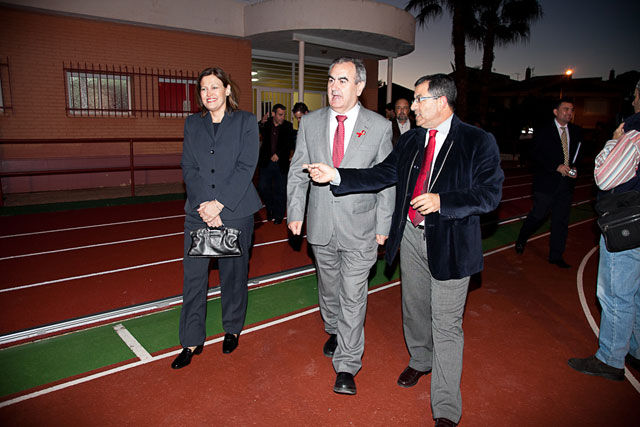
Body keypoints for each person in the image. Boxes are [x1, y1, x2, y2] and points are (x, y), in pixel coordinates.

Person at [305, 74, 504, 426]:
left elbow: (489, 195)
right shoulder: (412, 139)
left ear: (441, 102)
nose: (412, 107)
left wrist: (443, 201)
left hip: (452, 244)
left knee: (446, 325)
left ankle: (446, 408)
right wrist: (336, 175)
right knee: (414, 309)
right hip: (411, 236)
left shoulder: (477, 140)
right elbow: (382, 173)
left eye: (418, 99)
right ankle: (420, 360)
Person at [287, 57, 395, 395]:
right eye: (331, 79)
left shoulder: (379, 126)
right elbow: (297, 171)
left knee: (353, 296)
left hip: (361, 227)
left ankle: (347, 364)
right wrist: (295, 211)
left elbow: (387, 178)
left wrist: (384, 222)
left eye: (343, 81)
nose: (334, 87)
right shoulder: (310, 123)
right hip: (321, 224)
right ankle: (333, 328)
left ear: (359, 87)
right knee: (329, 289)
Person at [172, 67, 262, 369]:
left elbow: (246, 165)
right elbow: (189, 167)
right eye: (203, 88)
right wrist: (205, 206)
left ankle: (232, 328)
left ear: (227, 89)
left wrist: (220, 204)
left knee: (233, 276)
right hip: (199, 213)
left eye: (214, 87)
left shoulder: (245, 121)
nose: (208, 93)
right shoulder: (192, 124)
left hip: (234, 211)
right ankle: (191, 340)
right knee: (194, 278)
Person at [568, 79, 640, 380]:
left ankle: (611, 359)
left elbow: (605, 177)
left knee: (616, 294)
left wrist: (613, 141)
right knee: (636, 293)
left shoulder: (633, 133)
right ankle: (636, 349)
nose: (633, 100)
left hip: (628, 228)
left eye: (635, 94)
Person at [515, 99, 583, 268]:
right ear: (555, 112)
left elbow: (578, 154)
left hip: (566, 184)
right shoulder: (544, 130)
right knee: (538, 215)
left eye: (571, 110)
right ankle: (522, 237)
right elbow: (535, 155)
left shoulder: (576, 131)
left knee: (561, 220)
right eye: (565, 109)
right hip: (546, 182)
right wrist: (555, 166)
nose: (569, 112)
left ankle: (556, 255)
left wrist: (575, 168)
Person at [258, 103, 295, 224]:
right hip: (266, 162)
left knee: (280, 190)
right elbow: (254, 131)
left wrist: (278, 154)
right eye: (280, 115)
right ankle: (270, 208)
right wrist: (261, 122)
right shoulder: (266, 124)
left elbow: (289, 143)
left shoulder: (288, 126)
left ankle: (279, 215)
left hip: (281, 163)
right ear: (273, 114)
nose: (282, 117)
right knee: (263, 187)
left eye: (283, 114)